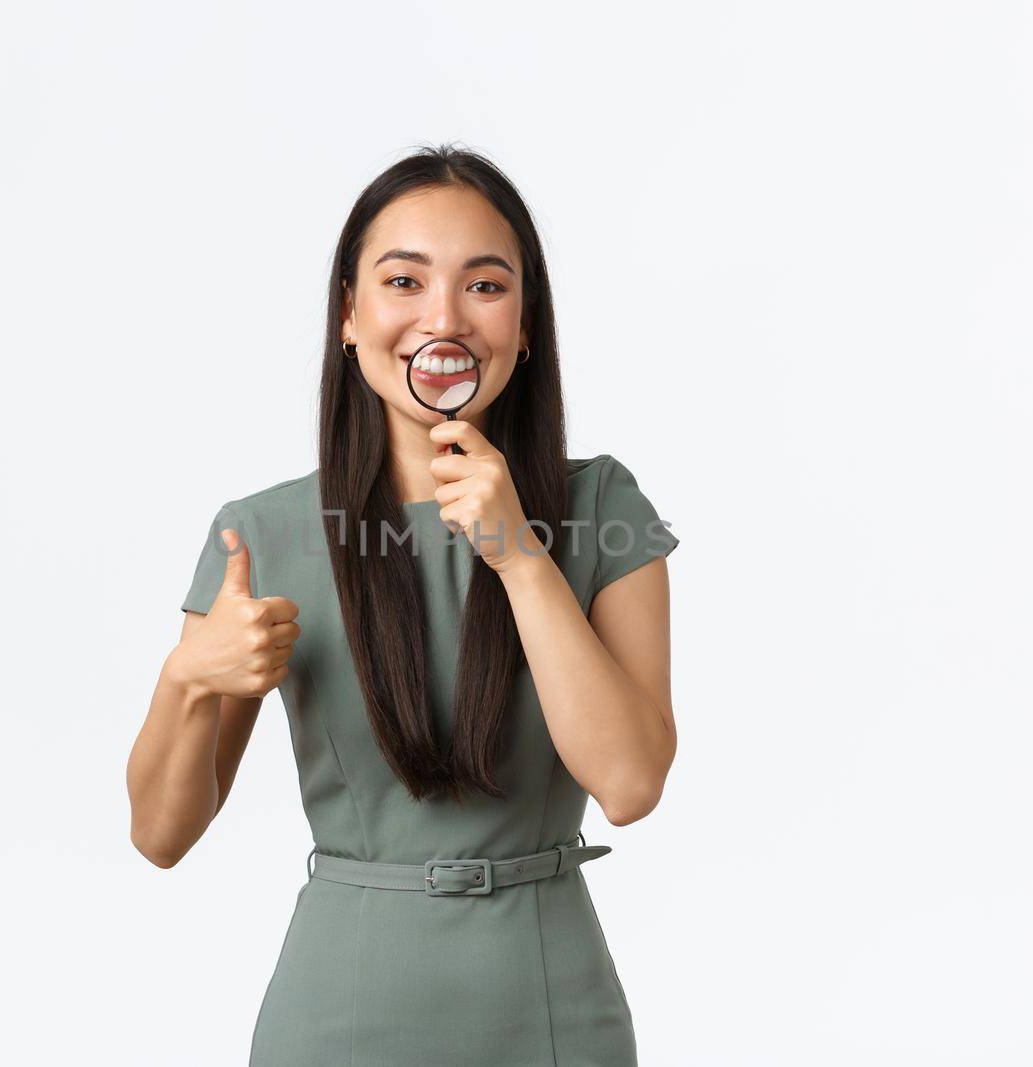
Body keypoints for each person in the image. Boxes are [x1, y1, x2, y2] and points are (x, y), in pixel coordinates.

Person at [126, 143, 680, 1066]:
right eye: (403, 280)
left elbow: (629, 783)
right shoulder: (262, 535)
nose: (444, 318)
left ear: (527, 324)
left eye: (486, 286)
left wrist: (520, 557)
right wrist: (189, 677)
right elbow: (159, 834)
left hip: (551, 1014)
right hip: (338, 1016)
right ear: (350, 314)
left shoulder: (600, 511)